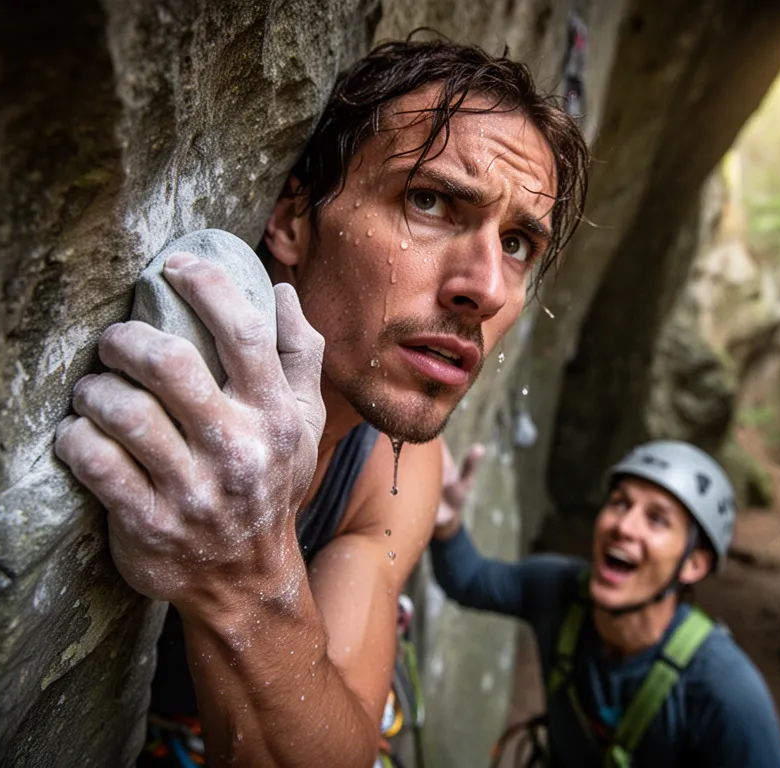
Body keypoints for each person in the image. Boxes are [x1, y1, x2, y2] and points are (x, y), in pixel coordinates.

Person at [53, 35, 589, 768]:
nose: (486, 287)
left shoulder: (396, 471)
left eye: (520, 243)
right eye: (429, 201)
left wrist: (248, 573)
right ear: (292, 219)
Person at [431, 440, 780, 767]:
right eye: (620, 503)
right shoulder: (558, 590)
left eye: (657, 519)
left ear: (694, 564)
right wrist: (446, 521)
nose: (625, 526)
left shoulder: (728, 694)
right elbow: (471, 582)